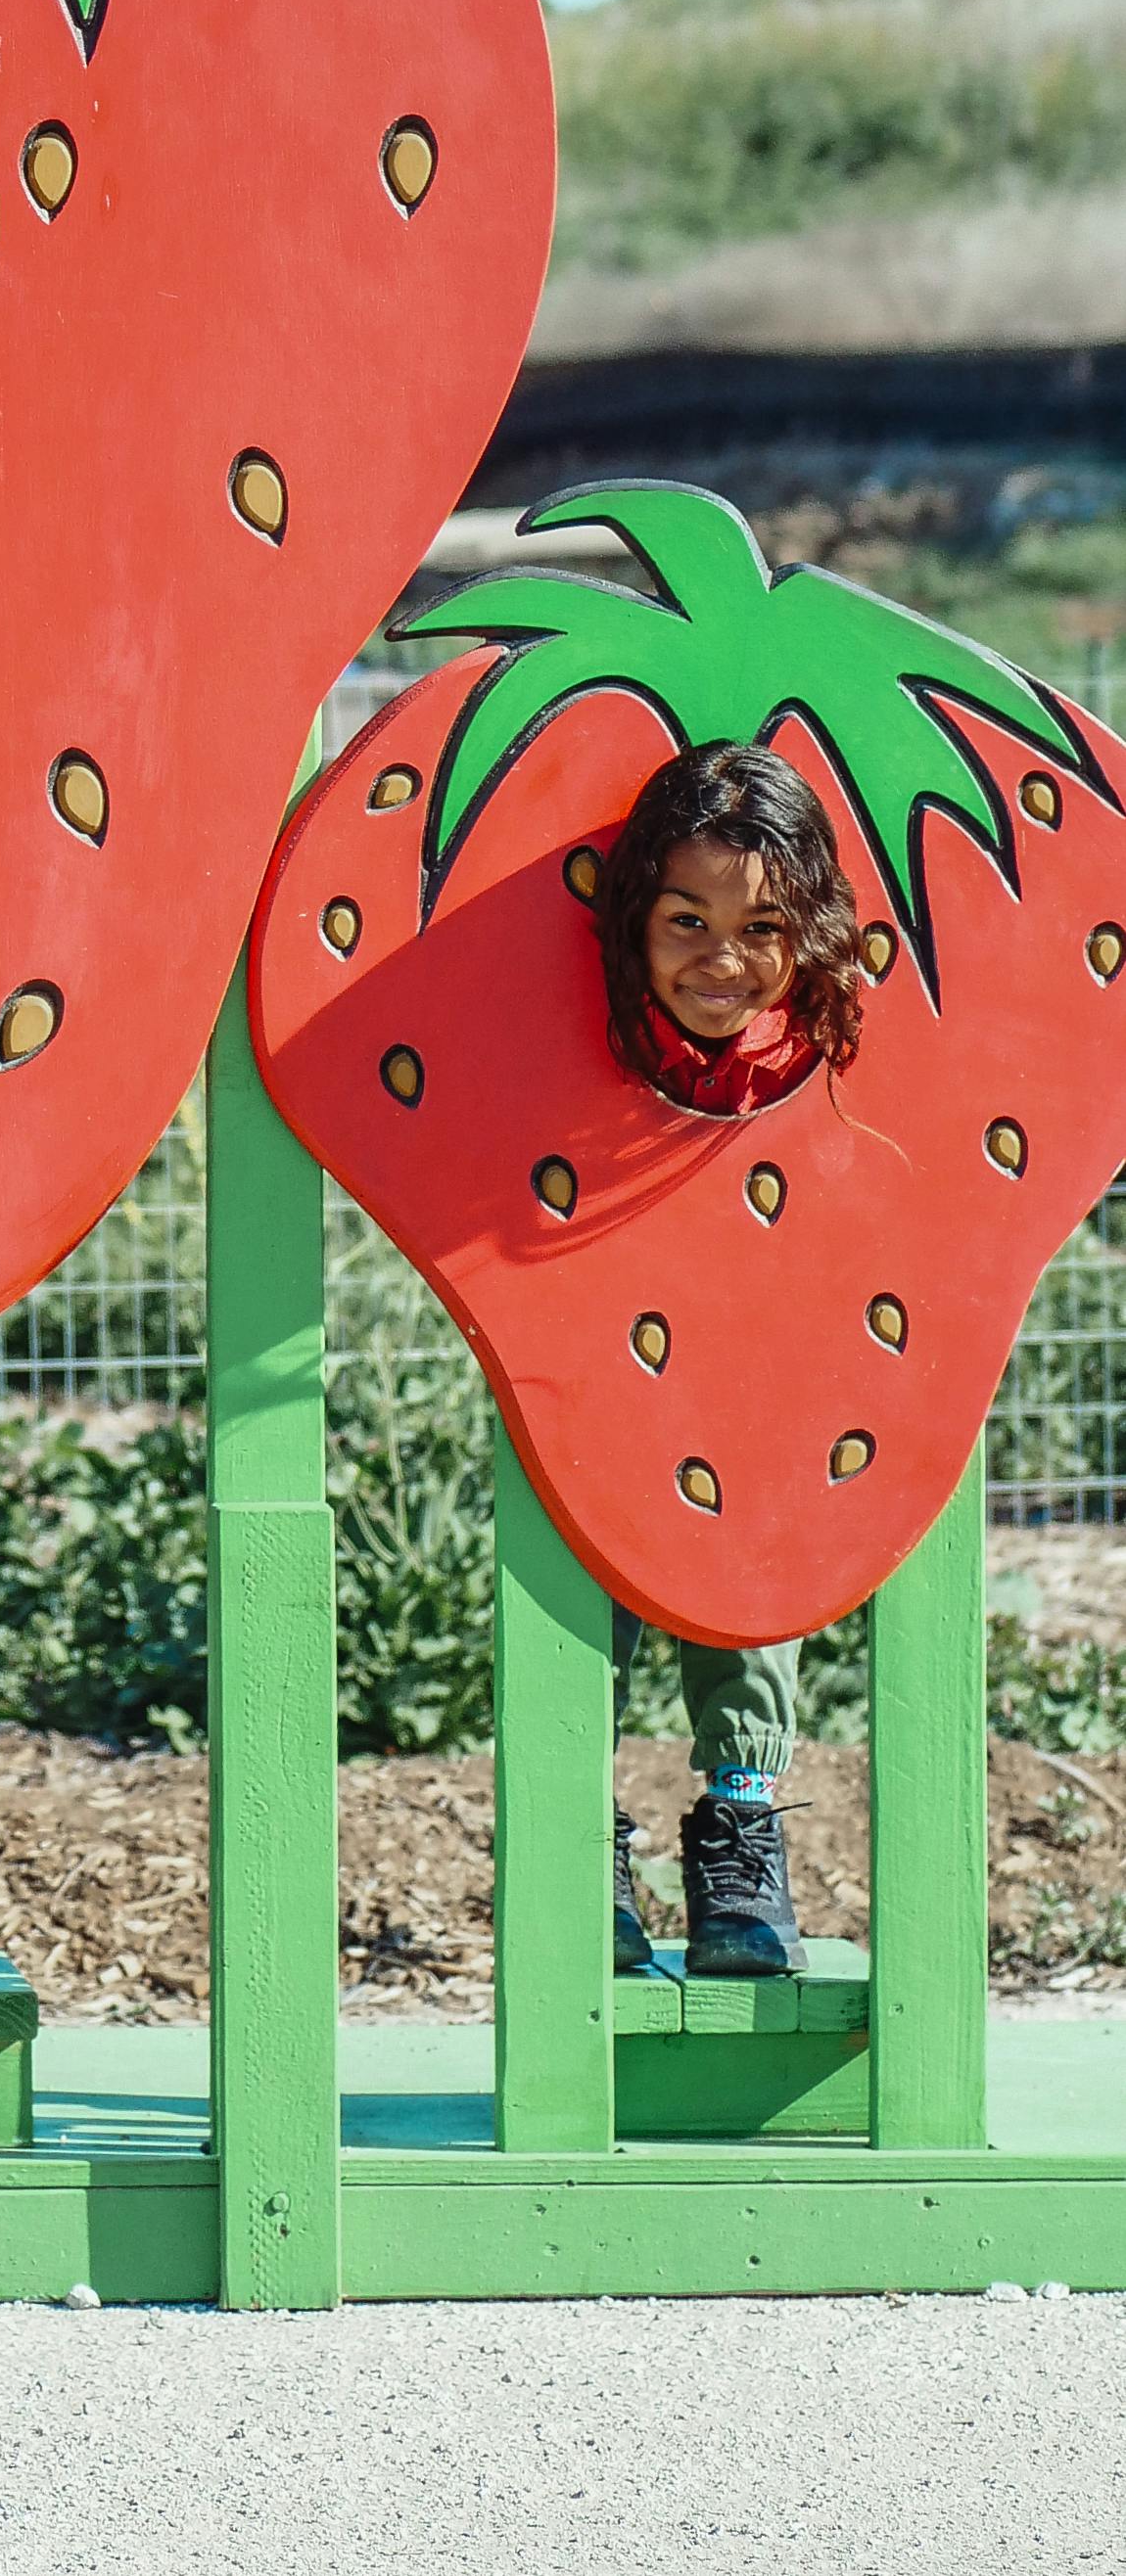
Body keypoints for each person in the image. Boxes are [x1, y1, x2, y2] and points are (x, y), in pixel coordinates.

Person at [597, 739, 864, 1977]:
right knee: (579, 1560)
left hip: (757, 1366)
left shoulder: (820, 1050)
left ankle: (741, 1820)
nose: (719, 958)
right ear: (632, 917)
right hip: (593, 1351)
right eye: (683, 919)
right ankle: (572, 1835)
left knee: (747, 1549)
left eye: (760, 925)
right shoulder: (588, 1036)